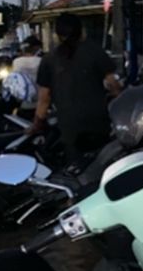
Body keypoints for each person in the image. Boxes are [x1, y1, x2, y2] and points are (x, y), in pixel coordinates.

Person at [32, 14, 121, 161]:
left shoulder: (49, 59)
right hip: (99, 123)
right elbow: (114, 85)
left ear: (56, 35)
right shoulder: (96, 52)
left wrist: (36, 125)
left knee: (75, 169)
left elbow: (44, 99)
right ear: (82, 31)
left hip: (69, 128)